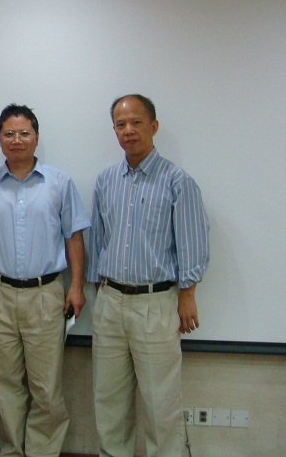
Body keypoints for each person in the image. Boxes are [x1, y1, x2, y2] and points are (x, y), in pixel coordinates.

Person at [87, 94, 210, 457]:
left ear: (153, 126)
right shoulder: (106, 180)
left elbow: (193, 242)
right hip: (110, 302)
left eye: (136, 122)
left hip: (156, 304)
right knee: (109, 402)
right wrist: (99, 294)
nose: (129, 130)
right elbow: (99, 240)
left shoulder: (177, 180)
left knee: (161, 406)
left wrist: (188, 295)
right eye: (121, 124)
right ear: (114, 130)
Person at [0, 103, 90, 457]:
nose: (17, 140)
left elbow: (74, 237)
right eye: (9, 133)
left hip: (45, 293)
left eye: (24, 133)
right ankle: (12, 450)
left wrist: (76, 285)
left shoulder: (59, 182)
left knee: (46, 387)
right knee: (4, 384)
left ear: (37, 138)